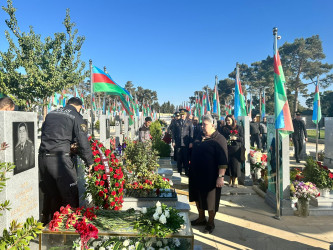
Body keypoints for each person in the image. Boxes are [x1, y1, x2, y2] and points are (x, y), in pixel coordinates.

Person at [39, 97, 94, 224]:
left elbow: (47, 134)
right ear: (79, 106)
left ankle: (52, 228)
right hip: (60, 162)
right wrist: (89, 162)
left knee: (52, 196)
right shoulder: (76, 116)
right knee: (69, 197)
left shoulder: (51, 114)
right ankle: (69, 232)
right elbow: (83, 141)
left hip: (43, 158)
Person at [189, 114, 228, 234]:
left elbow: (223, 160)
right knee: (197, 197)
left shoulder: (219, 139)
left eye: (204, 124)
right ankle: (201, 218)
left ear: (212, 125)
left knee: (210, 200)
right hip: (196, 174)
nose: (202, 126)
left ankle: (211, 222)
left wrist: (220, 177)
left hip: (210, 176)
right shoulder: (200, 136)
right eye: (202, 124)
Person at [219, 115, 244, 187]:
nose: (228, 122)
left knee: (236, 165)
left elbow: (242, 138)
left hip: (236, 148)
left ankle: (235, 179)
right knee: (229, 164)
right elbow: (221, 137)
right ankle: (230, 179)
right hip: (227, 148)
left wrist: (236, 138)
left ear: (233, 120)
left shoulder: (239, 127)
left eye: (229, 120)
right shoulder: (224, 128)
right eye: (227, 120)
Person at [172, 109, 193, 176]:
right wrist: (173, 141)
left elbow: (191, 133)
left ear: (186, 115)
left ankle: (186, 171)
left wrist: (191, 142)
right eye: (181, 115)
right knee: (179, 158)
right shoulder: (176, 122)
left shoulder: (189, 122)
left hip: (186, 143)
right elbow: (173, 133)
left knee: (186, 158)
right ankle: (179, 171)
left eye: (183, 115)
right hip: (178, 143)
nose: (182, 116)